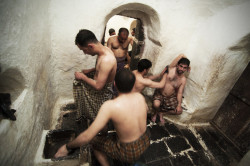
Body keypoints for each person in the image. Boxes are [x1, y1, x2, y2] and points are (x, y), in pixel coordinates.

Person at [55, 69, 151, 165]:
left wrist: (67, 147)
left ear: (115, 84)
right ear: (133, 84)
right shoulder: (140, 97)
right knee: (115, 135)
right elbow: (145, 111)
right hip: (145, 140)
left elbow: (86, 137)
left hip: (128, 152)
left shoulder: (111, 106)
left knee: (93, 142)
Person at [73, 29, 117, 121]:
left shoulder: (106, 60)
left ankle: (103, 133)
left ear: (90, 46)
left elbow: (98, 86)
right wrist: (90, 70)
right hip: (100, 89)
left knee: (100, 117)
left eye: (83, 50)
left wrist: (82, 77)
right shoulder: (104, 50)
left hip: (102, 94)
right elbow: (103, 69)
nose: (84, 53)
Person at [152, 54, 190, 125]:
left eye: (184, 68)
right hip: (160, 93)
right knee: (156, 104)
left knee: (179, 111)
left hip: (170, 97)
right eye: (181, 66)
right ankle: (156, 112)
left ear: (186, 69)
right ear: (177, 65)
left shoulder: (183, 79)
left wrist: (179, 105)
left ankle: (161, 113)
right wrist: (186, 62)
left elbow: (179, 93)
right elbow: (181, 55)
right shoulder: (170, 69)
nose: (182, 69)